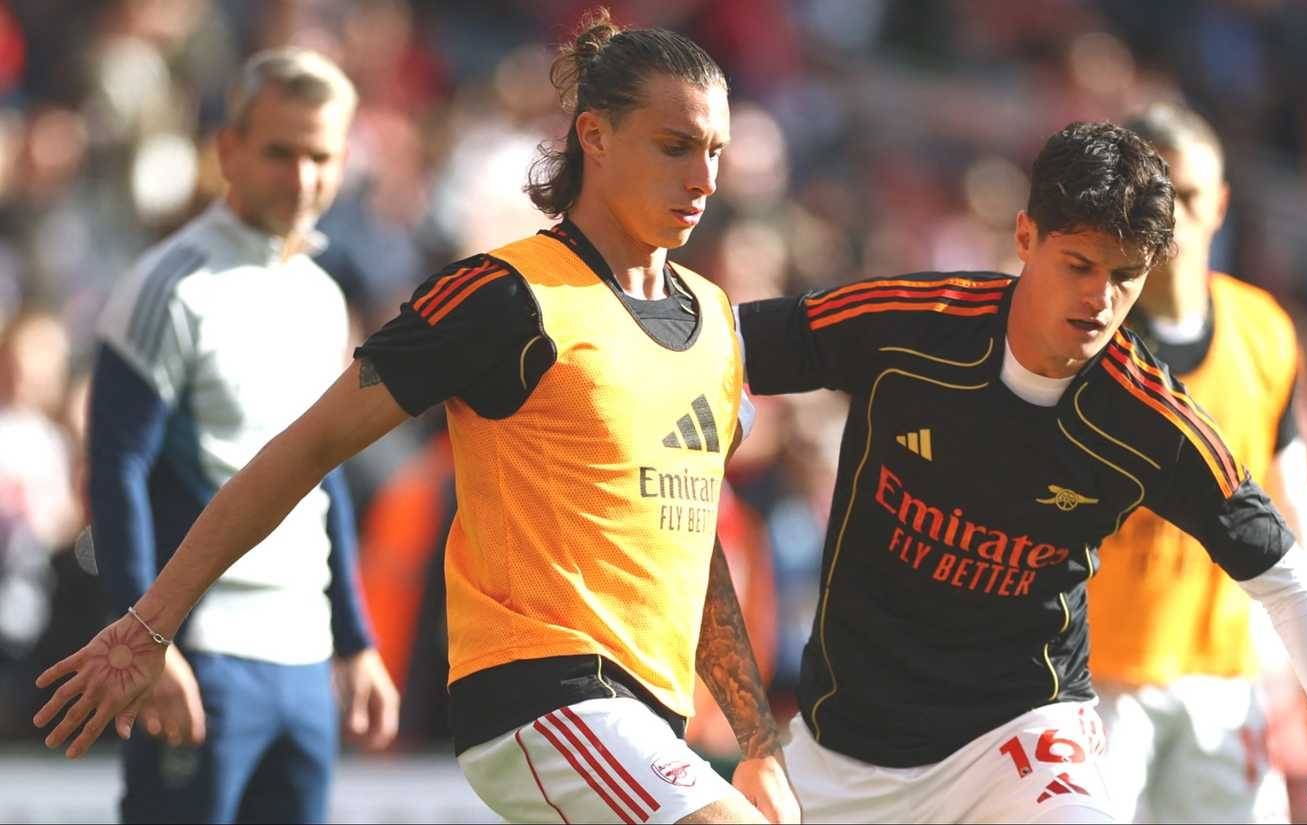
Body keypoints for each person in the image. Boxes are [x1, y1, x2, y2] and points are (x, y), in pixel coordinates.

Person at [38, 10, 799, 825]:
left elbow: (693, 537)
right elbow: (305, 449)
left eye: (715, 150)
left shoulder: (714, 322)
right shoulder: (504, 296)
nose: (705, 178)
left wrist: (757, 740)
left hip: (651, 720)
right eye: (676, 146)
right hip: (544, 697)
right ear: (596, 136)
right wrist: (150, 623)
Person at [736, 121, 1307, 823]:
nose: (1100, 299)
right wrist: (722, 423)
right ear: (1026, 237)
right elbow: (728, 341)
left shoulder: (1150, 416)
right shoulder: (911, 324)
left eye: (1124, 276)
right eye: (1079, 265)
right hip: (846, 748)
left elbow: (1290, 578)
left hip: (1022, 737)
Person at [70, 48, 398, 824]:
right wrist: (147, 640)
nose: (302, 178)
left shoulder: (322, 295)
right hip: (201, 653)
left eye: (321, 156)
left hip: (304, 659)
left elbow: (323, 473)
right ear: (228, 149)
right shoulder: (171, 285)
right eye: (280, 152)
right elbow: (115, 470)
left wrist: (354, 640)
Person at [1084, 103, 1307, 822]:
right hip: (1089, 681)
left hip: (1222, 679)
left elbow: (1294, 505)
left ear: (1220, 204)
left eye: (1188, 197)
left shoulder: (1265, 332)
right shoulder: (1076, 332)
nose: (1173, 220)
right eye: (1152, 199)